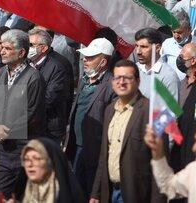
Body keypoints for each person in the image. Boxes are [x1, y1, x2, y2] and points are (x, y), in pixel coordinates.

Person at [90, 59, 163, 203]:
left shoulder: (152, 112)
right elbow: (104, 155)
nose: (121, 82)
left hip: (136, 194)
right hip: (109, 191)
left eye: (127, 78)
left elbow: (161, 164)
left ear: (138, 81)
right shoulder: (109, 110)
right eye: (117, 78)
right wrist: (96, 193)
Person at [0, 29, 46, 197]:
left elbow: (33, 113)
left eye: (7, 48)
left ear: (21, 53)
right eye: (2, 47)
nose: (2, 51)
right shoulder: (0, 74)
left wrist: (7, 130)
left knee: (23, 196)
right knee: (0, 194)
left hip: (25, 148)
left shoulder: (34, 78)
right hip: (4, 149)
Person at [65, 38, 117, 197]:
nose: (85, 60)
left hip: (94, 151)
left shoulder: (112, 85)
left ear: (103, 62)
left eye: (90, 57)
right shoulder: (84, 80)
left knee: (91, 193)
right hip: (75, 146)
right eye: (85, 57)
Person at [27, 28, 74, 143]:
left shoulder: (58, 67)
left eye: (31, 45)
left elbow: (49, 99)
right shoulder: (26, 63)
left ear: (44, 48)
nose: (28, 48)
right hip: (30, 126)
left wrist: (23, 105)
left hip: (48, 130)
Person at [22, 138, 85, 203]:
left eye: (36, 159)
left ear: (50, 162)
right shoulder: (22, 194)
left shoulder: (68, 196)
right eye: (26, 159)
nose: (29, 164)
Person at [160, 11, 196, 80]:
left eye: (179, 32)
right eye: (173, 32)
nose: (176, 36)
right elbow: (161, 65)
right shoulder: (167, 44)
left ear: (189, 30)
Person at [135, 28, 180, 101]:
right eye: (137, 46)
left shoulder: (168, 76)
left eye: (143, 47)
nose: (138, 52)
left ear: (157, 48)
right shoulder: (135, 68)